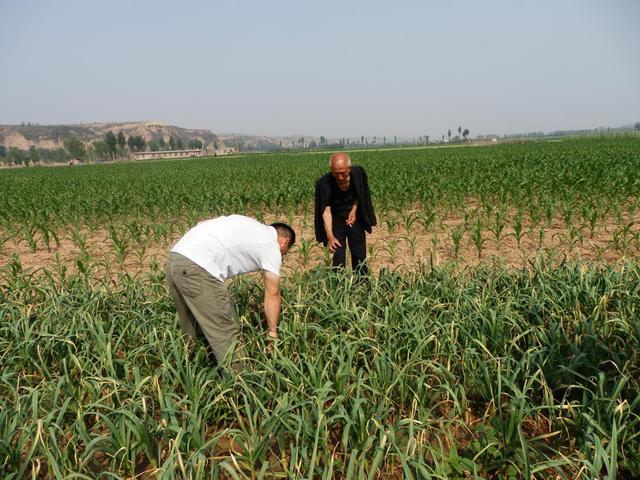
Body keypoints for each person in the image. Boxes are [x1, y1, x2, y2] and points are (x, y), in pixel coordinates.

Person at [165, 214, 295, 367]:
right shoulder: (270, 245)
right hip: (198, 267)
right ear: (285, 242)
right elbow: (272, 293)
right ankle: (241, 386)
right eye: (286, 251)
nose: (283, 255)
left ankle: (192, 374)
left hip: (175, 259)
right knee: (225, 333)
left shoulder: (247, 223)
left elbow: (202, 222)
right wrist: (272, 333)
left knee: (193, 329)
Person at [314, 152, 376, 274]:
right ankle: (339, 286)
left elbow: (361, 193)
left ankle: (362, 284)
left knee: (359, 254)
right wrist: (330, 236)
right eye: (336, 173)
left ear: (349, 168)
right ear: (331, 171)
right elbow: (326, 211)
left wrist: (354, 209)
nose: (340, 177)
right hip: (336, 220)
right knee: (338, 257)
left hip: (355, 219)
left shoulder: (358, 174)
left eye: (343, 172)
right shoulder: (324, 183)